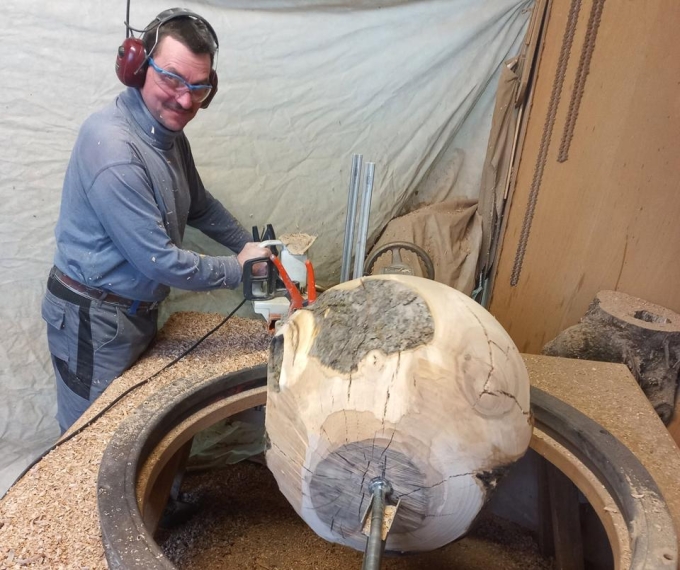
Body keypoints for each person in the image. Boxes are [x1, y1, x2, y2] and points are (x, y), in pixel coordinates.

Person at [41, 8, 269, 433]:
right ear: (136, 67)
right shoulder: (113, 148)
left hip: (133, 311)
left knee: (136, 428)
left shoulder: (169, 138)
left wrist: (253, 249)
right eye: (172, 80)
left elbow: (200, 206)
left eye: (199, 88)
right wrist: (238, 268)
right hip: (93, 317)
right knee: (90, 438)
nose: (185, 100)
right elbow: (158, 261)